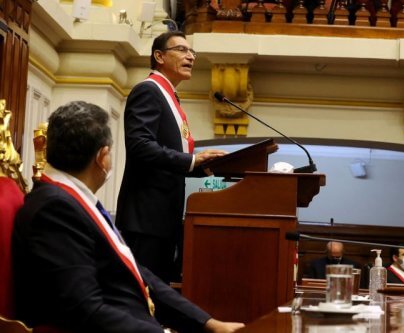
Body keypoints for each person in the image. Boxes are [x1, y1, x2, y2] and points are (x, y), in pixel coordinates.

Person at [12, 101, 243, 333]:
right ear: (102, 157)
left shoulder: (70, 199)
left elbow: (135, 270)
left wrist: (207, 323)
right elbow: (85, 310)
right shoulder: (55, 209)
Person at [115, 31, 226, 283]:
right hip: (145, 219)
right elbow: (140, 145)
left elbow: (170, 157)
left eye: (192, 52)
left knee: (159, 291)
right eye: (182, 50)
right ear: (159, 56)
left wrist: (204, 165)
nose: (190, 57)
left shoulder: (169, 96)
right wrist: (191, 161)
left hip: (163, 217)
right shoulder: (149, 90)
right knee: (144, 294)